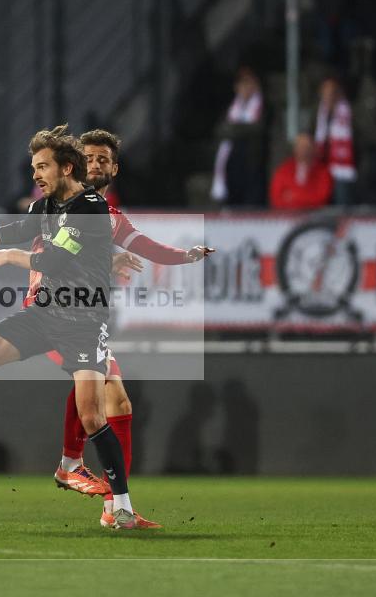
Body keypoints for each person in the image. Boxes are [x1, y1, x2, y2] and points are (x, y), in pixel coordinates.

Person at [0, 125, 141, 529]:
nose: (35, 175)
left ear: (67, 167)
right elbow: (19, 229)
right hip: (44, 314)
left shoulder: (89, 207)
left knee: (92, 416)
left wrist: (10, 257)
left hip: (83, 323)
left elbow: (53, 260)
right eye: (33, 167)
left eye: (43, 167)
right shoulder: (45, 207)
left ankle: (120, 506)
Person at [44, 129, 212, 527]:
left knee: (118, 404)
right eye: (90, 157)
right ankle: (71, 464)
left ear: (114, 168)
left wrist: (187, 256)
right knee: (96, 385)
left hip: (84, 316)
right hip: (53, 313)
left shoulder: (107, 214)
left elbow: (147, 246)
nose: (97, 164)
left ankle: (115, 509)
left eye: (104, 159)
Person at [210, 67, 268, 206]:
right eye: (242, 84)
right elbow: (219, 130)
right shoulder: (230, 108)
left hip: (253, 165)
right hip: (232, 165)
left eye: (250, 83)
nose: (246, 87)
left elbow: (258, 129)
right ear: (236, 87)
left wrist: (233, 129)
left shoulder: (264, 107)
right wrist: (241, 129)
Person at [314, 76, 357, 205]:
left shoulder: (349, 112)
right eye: (326, 93)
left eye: (333, 92)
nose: (329, 96)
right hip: (320, 167)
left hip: (341, 170)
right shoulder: (316, 113)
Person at [269, 133, 334, 210]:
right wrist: (306, 196)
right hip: (287, 216)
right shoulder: (283, 170)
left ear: (314, 149)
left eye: (307, 147)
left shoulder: (323, 172)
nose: (304, 151)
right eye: (300, 147)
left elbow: (321, 198)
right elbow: (276, 198)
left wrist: (293, 197)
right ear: (295, 149)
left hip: (315, 216)